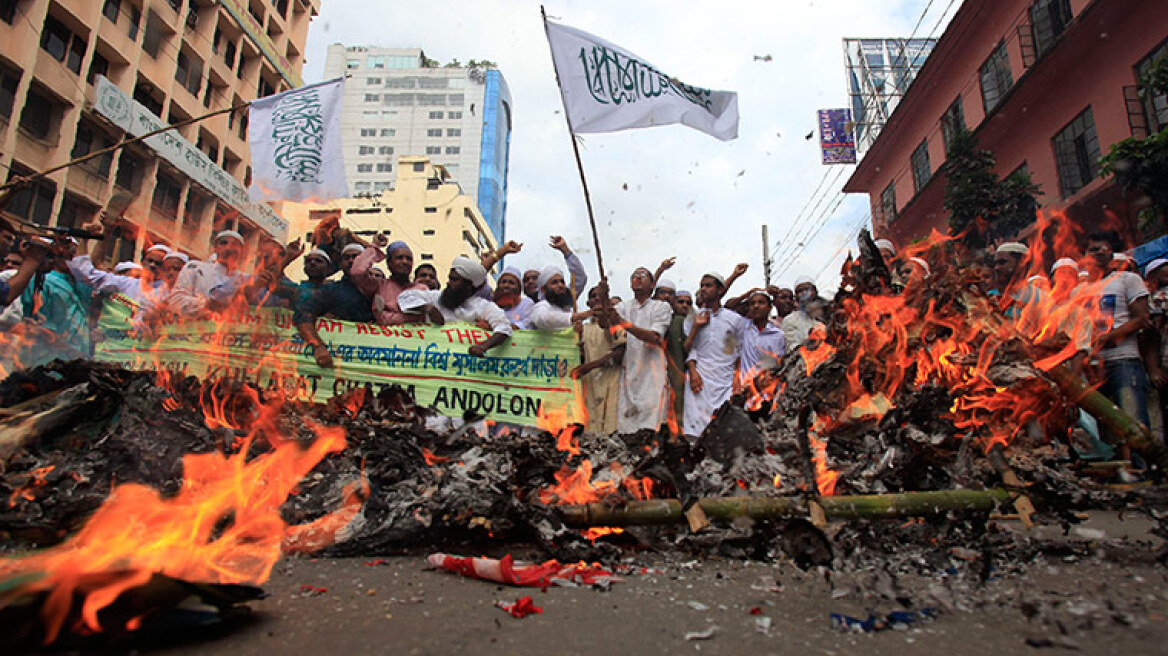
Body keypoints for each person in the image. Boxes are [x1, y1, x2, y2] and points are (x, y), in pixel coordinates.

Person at [1083, 230, 1153, 443]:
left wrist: (1108, 337)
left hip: (1124, 360)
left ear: (1111, 252)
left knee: (1133, 422)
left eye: (1104, 248)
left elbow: (1142, 318)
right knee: (1104, 428)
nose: (1099, 253)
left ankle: (1145, 462)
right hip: (1093, 366)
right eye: (1093, 249)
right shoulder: (1080, 290)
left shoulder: (1127, 280)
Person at [683, 269, 751, 437]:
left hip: (725, 381)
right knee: (695, 431)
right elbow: (688, 348)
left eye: (708, 286)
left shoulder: (734, 319)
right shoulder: (693, 317)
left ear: (720, 290)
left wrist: (737, 380)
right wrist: (693, 372)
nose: (703, 289)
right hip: (699, 379)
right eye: (701, 286)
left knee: (723, 429)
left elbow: (739, 352)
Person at [399, 257, 512, 357]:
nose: (449, 283)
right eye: (450, 278)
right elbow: (404, 297)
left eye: (454, 280)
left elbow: (504, 327)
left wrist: (483, 347)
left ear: (468, 284)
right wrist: (427, 308)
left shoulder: (483, 306)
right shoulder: (436, 297)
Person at [294, 243, 376, 367]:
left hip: (373, 362)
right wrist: (318, 347)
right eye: (346, 258)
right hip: (336, 361)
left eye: (356, 257)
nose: (351, 260)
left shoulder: (381, 289)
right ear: (341, 264)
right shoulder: (331, 290)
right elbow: (303, 314)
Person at [615, 267, 674, 434]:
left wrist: (624, 324)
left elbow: (654, 337)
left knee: (651, 425)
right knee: (627, 427)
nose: (638, 278)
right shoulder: (624, 306)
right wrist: (604, 299)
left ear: (653, 284)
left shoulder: (661, 307)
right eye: (634, 275)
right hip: (630, 373)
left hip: (653, 374)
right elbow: (606, 321)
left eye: (643, 275)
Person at [572, 284, 627, 434]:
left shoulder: (615, 324)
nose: (597, 299)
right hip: (590, 384)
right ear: (588, 303)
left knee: (611, 429)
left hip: (612, 382)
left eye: (601, 296)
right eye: (593, 296)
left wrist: (590, 366)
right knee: (591, 429)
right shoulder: (583, 329)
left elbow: (619, 353)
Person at [168, 230, 252, 316]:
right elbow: (176, 300)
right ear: (215, 248)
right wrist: (207, 304)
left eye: (235, 244)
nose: (228, 248)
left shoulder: (247, 280)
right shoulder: (196, 267)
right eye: (223, 243)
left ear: (242, 251)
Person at [351, 233, 424, 325]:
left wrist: (389, 317)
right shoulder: (379, 285)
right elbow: (357, 272)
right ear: (389, 263)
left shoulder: (422, 289)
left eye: (409, 259)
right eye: (399, 258)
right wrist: (374, 246)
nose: (405, 262)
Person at [528, 237, 589, 330]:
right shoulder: (541, 307)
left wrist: (566, 251)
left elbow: (580, 278)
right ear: (544, 289)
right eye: (554, 282)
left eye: (562, 282)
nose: (560, 285)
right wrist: (576, 317)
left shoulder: (566, 305)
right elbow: (544, 318)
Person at [782, 276, 822, 351]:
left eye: (807, 289)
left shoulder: (828, 316)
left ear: (816, 293)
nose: (804, 293)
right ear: (796, 298)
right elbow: (793, 347)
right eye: (800, 291)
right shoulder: (790, 320)